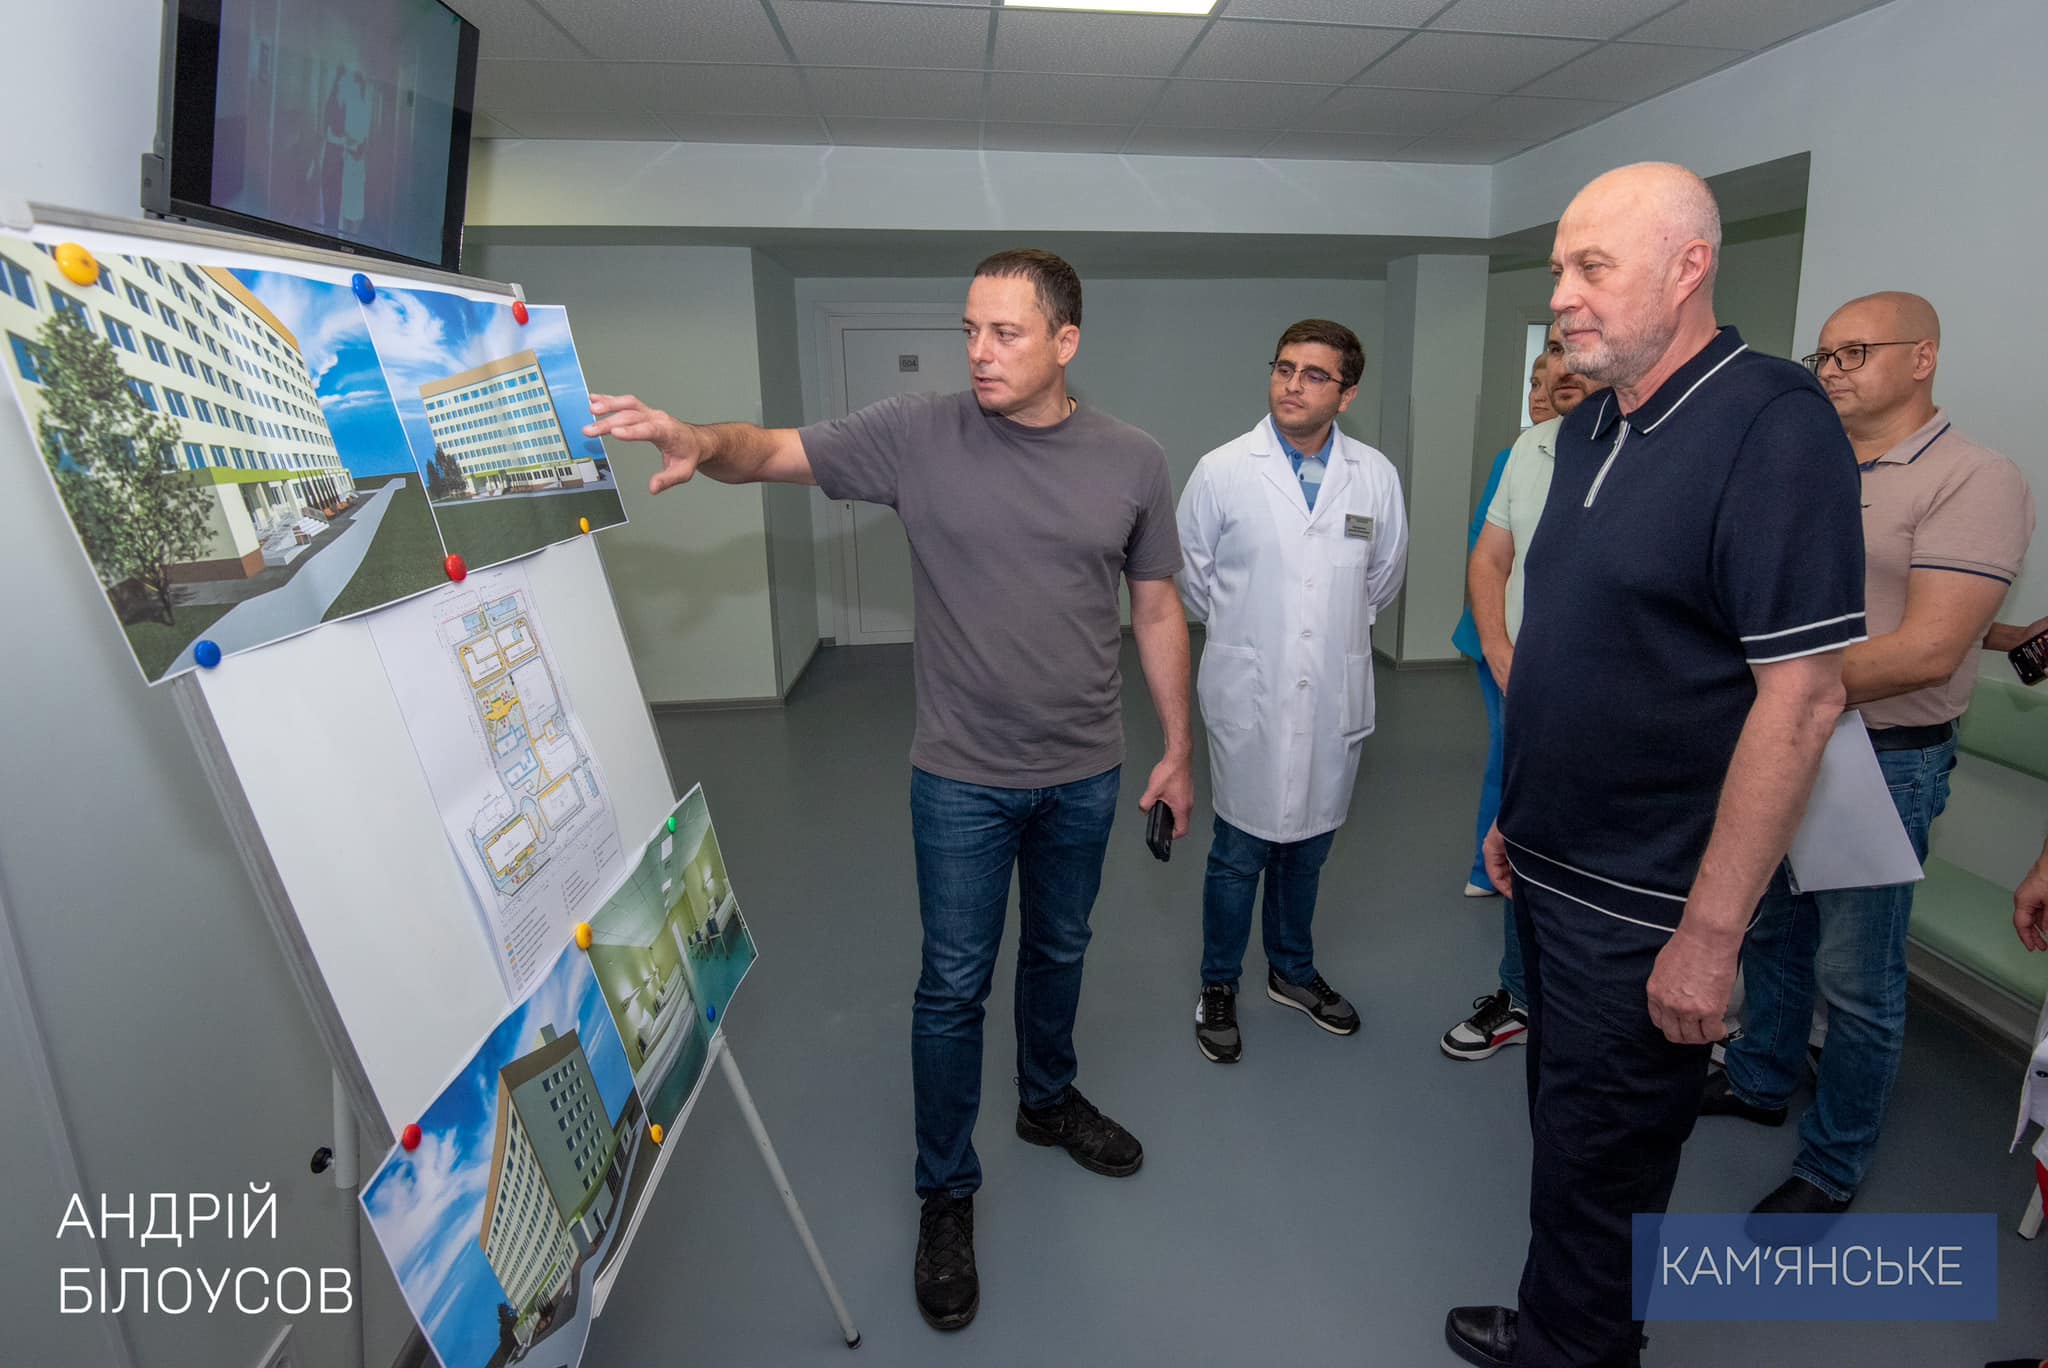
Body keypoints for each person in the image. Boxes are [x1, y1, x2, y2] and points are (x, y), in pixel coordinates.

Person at [581, 249, 1194, 1334]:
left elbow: (1153, 609)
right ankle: (945, 1191)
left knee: (1060, 948)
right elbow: (770, 449)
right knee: (952, 985)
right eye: (969, 330)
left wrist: (1177, 749)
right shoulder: (918, 434)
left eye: (1005, 333)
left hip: (1085, 770)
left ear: (1065, 342)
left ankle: (1047, 1101)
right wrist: (698, 440)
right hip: (960, 777)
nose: (979, 353)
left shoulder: (1134, 460)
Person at [1444, 163, 1866, 1368]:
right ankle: (1567, 1320)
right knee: (1570, 1143)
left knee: (1606, 1161)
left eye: (1591, 267)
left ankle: (1573, 1346)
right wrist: (1516, 815)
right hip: (1550, 866)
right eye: (1557, 269)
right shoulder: (1585, 426)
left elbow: (1801, 697)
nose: (1560, 295)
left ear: (1688, 268)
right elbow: (1580, 647)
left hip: (1648, 904)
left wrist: (1711, 935)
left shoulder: (1770, 423)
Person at [1703, 292, 2035, 1217]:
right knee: (1773, 931)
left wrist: (1769, 690)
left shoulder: (1973, 478)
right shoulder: (1819, 465)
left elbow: (1930, 648)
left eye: (1855, 352)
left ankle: (1833, 1161)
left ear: (1922, 357)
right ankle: (1761, 1079)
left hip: (1882, 757)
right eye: (1824, 356)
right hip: (1788, 739)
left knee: (1856, 977)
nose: (1832, 371)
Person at [1177, 320, 1407, 1063]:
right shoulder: (1222, 470)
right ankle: (1218, 982)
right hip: (1250, 689)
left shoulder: (1374, 476)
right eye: (1284, 368)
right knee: (1237, 851)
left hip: (1332, 692)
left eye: (1314, 374)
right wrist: (1259, 632)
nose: (1292, 385)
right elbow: (1193, 575)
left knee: (1309, 848)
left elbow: (1382, 578)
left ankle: (1292, 971)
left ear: (1347, 393)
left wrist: (1320, 634)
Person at [1441, 326, 1590, 1063]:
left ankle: (1600, 1016)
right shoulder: (1530, 451)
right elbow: (1489, 558)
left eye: (1577, 347)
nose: (1561, 367)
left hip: (1618, 707)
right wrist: (1502, 654)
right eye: (1552, 352)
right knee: (1522, 833)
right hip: (1531, 689)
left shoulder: (1668, 452)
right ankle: (1521, 995)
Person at [1452, 349, 1560, 900]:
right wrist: (1496, 641)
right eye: (1533, 383)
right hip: (1499, 635)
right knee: (1507, 751)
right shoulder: (1518, 455)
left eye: (1548, 382)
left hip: (1553, 646)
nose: (1539, 395)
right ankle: (1486, 865)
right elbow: (1487, 553)